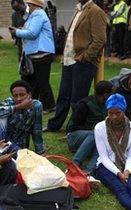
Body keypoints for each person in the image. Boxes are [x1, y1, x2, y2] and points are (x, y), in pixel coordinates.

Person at [44, 0, 107, 132]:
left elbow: (100, 39)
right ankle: (54, 125)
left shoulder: (96, 11)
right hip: (69, 60)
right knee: (63, 96)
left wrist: (86, 57)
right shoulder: (78, 9)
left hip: (82, 62)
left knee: (77, 99)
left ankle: (74, 129)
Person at [94, 94, 131, 210]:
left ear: (124, 111)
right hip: (105, 165)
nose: (113, 117)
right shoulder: (100, 128)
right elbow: (103, 157)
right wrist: (119, 173)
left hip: (126, 163)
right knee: (120, 188)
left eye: (117, 113)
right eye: (110, 113)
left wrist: (127, 171)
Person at [9, 0, 56, 113]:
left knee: (42, 81)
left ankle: (48, 105)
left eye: (29, 5)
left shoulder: (39, 14)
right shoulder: (33, 16)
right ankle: (34, 103)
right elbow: (29, 30)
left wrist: (17, 32)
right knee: (34, 81)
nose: (28, 7)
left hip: (42, 54)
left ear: (35, 6)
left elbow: (32, 33)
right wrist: (19, 30)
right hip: (35, 54)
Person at [66, 80, 113, 174]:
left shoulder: (109, 105)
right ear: (105, 95)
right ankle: (75, 164)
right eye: (111, 93)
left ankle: (88, 171)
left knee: (101, 143)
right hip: (75, 137)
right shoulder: (85, 104)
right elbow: (73, 127)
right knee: (95, 134)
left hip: (94, 140)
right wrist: (95, 130)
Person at [0, 80, 45, 155]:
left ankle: (3, 154)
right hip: (1, 140)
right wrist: (17, 107)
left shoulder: (36, 106)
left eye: (22, 95)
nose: (18, 98)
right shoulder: (9, 102)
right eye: (15, 96)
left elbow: (37, 130)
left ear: (29, 95)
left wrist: (40, 152)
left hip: (19, 145)